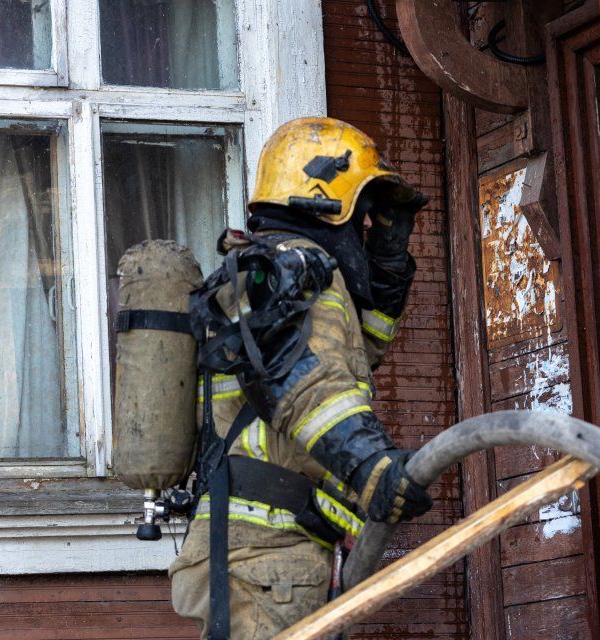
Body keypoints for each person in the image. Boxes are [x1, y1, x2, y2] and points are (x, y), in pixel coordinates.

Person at [170, 117, 432, 639]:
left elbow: (355, 353)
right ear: (324, 201)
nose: (364, 232)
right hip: (266, 564)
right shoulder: (296, 271)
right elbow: (305, 382)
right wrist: (370, 465)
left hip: (258, 558)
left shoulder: (272, 273)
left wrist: (386, 262)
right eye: (362, 217)